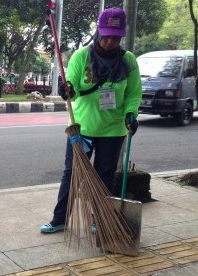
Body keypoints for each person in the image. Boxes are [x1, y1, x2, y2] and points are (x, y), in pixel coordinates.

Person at [40, 7, 142, 233]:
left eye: (115, 37)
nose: (109, 41)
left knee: (105, 176)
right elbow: (72, 90)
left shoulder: (128, 61)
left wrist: (130, 114)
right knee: (72, 174)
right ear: (98, 32)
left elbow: (134, 93)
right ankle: (60, 219)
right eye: (105, 35)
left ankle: (101, 218)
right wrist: (67, 90)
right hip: (82, 128)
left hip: (113, 130)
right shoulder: (81, 56)